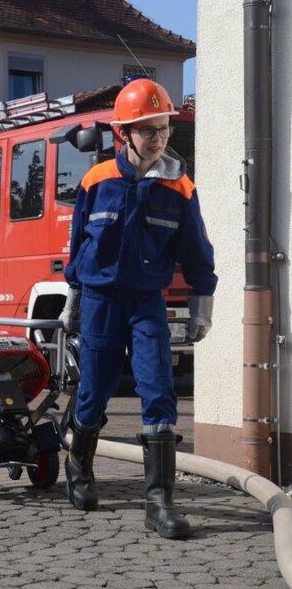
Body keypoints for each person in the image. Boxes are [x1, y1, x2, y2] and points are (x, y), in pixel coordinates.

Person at [59, 79, 217, 539]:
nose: (158, 137)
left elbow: (197, 252)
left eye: (163, 128)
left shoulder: (179, 188)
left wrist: (201, 304)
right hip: (100, 301)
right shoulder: (96, 181)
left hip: (146, 304)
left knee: (158, 389)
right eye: (146, 129)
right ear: (122, 134)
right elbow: (79, 247)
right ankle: (79, 469)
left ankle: (159, 502)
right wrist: (73, 297)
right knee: (94, 390)